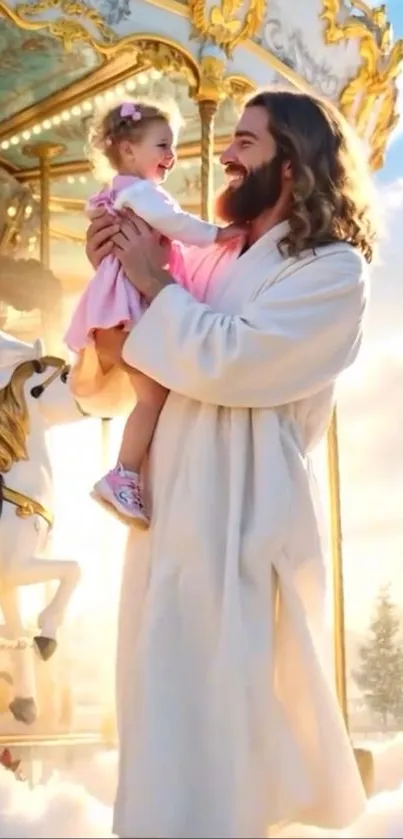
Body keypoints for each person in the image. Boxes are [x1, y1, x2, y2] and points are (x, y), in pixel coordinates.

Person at [79, 88, 377, 838]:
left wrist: (154, 282)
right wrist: (115, 288)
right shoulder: (212, 255)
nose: (224, 151)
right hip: (169, 506)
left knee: (228, 710)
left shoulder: (330, 270)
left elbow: (236, 359)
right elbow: (133, 377)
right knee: (162, 702)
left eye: (245, 139)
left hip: (244, 513)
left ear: (291, 163)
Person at [65, 99, 240, 526]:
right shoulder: (142, 194)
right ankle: (123, 474)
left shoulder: (117, 195)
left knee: (153, 394)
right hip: (123, 311)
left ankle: (128, 473)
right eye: (162, 144)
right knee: (153, 396)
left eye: (172, 145)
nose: (171, 155)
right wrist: (219, 234)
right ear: (128, 151)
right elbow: (178, 223)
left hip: (113, 311)